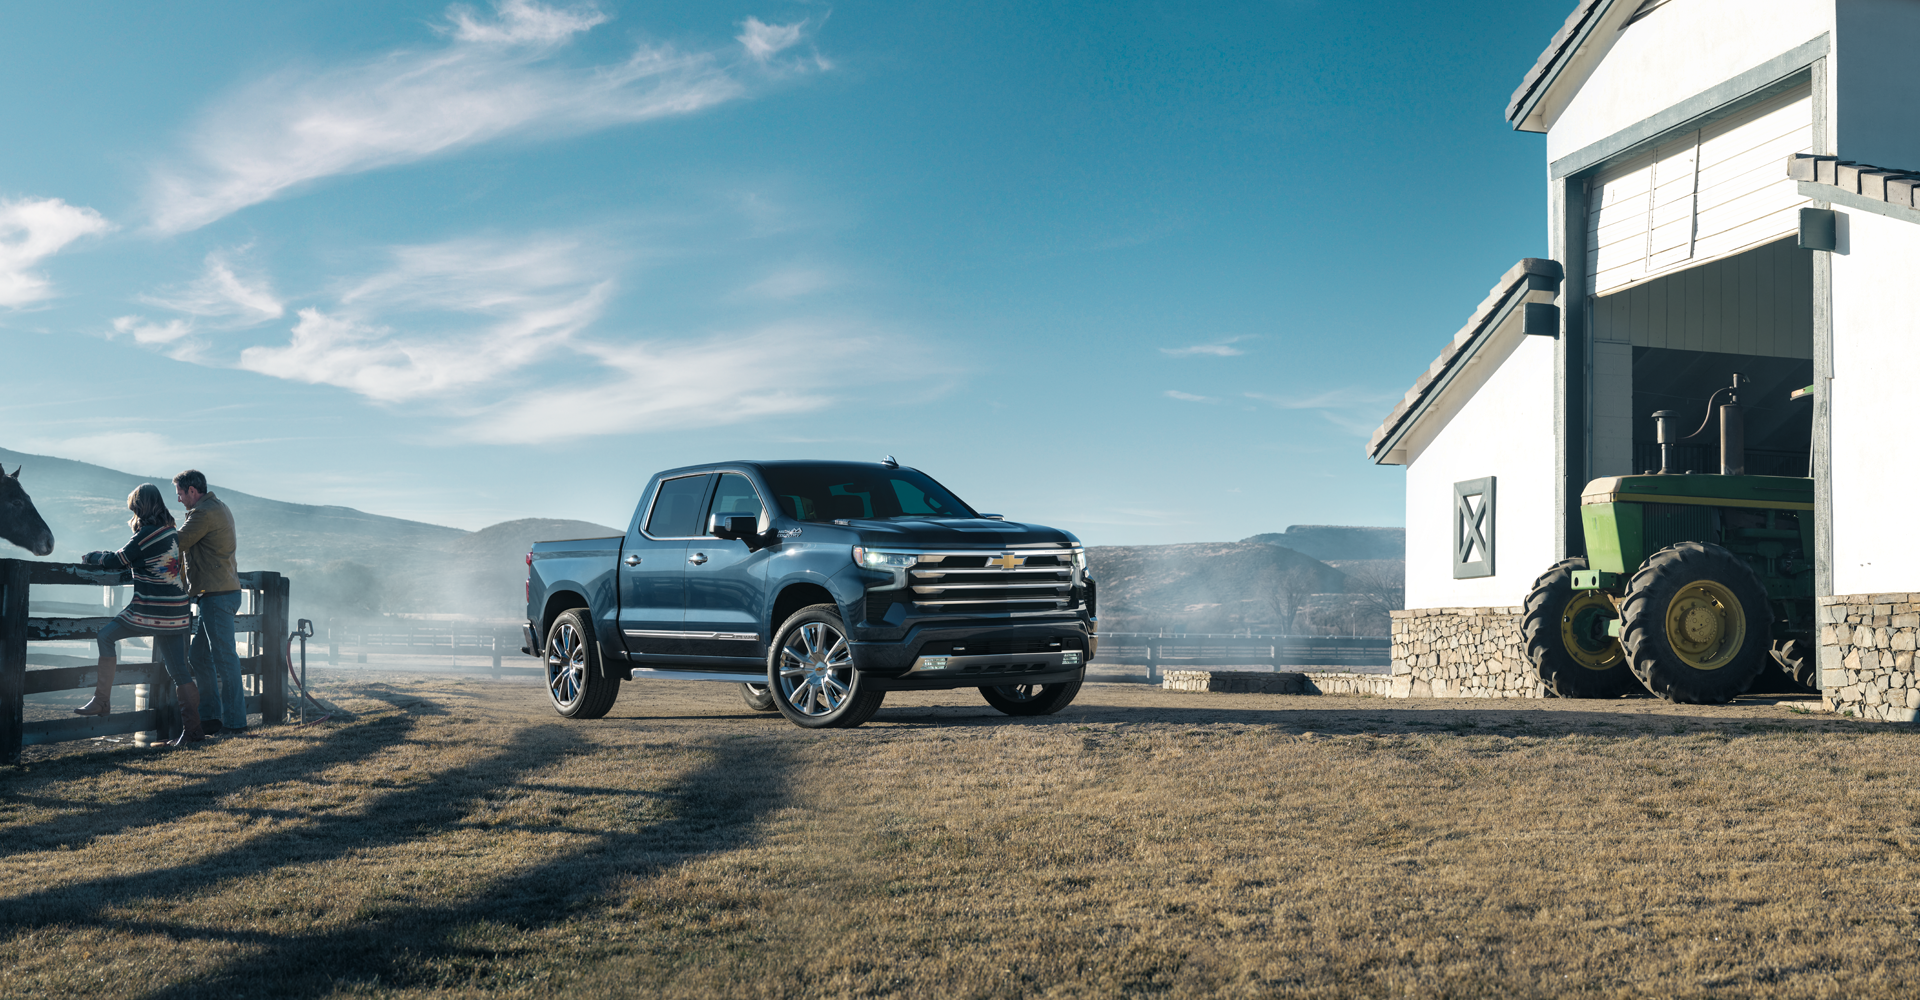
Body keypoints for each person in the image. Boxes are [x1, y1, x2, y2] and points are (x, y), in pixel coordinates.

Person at [79, 484, 202, 745]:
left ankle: (101, 701)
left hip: (151, 608)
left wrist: (92, 556)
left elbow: (118, 559)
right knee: (180, 671)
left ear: (140, 508)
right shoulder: (170, 532)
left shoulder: (146, 535)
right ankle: (193, 733)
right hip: (177, 611)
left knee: (106, 636)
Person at [174, 469, 244, 736]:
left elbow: (179, 541)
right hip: (218, 592)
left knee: (225, 659)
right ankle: (212, 718)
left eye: (180, 494)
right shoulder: (218, 507)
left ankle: (234, 723)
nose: (179, 499)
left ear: (192, 491)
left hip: (216, 595)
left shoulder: (203, 513)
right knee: (200, 655)